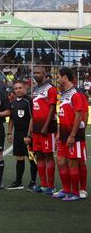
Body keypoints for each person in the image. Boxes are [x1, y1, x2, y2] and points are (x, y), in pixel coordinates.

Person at [52, 67, 86, 201]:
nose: (57, 79)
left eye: (58, 77)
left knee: (73, 164)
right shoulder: (64, 93)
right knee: (60, 162)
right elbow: (62, 115)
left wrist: (72, 135)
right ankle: (66, 190)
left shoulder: (76, 94)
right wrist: (60, 133)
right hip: (64, 135)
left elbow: (79, 116)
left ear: (65, 77)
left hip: (75, 136)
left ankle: (75, 193)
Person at [25, 65, 57, 194]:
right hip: (36, 129)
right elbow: (34, 112)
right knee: (39, 155)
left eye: (38, 73)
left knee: (48, 156)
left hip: (47, 129)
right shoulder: (35, 89)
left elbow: (52, 108)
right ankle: (43, 184)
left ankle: (51, 186)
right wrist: (30, 131)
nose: (36, 74)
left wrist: (45, 126)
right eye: (34, 73)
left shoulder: (51, 89)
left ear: (45, 74)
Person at [6, 80, 37, 191]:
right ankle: (18, 181)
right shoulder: (13, 102)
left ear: (25, 88)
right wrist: (9, 133)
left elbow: (33, 118)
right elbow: (11, 119)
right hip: (17, 134)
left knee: (31, 158)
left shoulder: (29, 101)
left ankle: (33, 182)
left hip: (27, 134)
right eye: (16, 88)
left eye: (20, 88)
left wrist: (29, 135)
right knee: (19, 158)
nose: (18, 90)